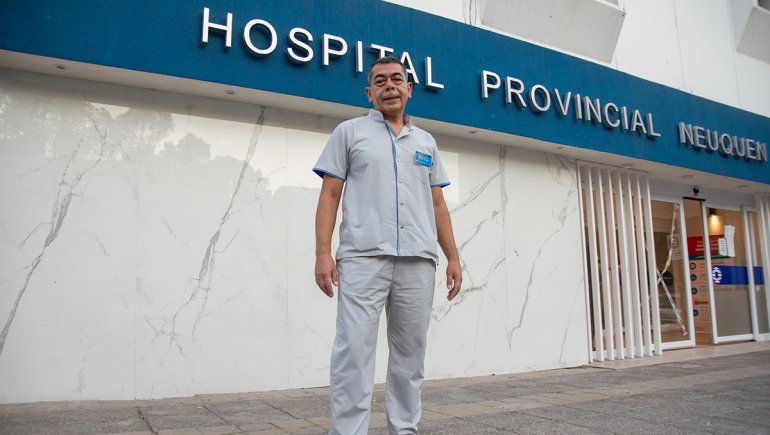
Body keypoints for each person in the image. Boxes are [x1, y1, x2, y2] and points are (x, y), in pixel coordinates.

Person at [313, 56, 462, 435]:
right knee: (353, 352)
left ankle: (404, 429)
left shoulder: (426, 142)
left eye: (397, 79)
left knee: (410, 356)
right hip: (362, 258)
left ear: (409, 89)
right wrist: (322, 253)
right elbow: (330, 195)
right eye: (380, 81)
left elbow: (437, 204)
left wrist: (453, 257)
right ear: (369, 92)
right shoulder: (349, 132)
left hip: (418, 260)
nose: (389, 86)